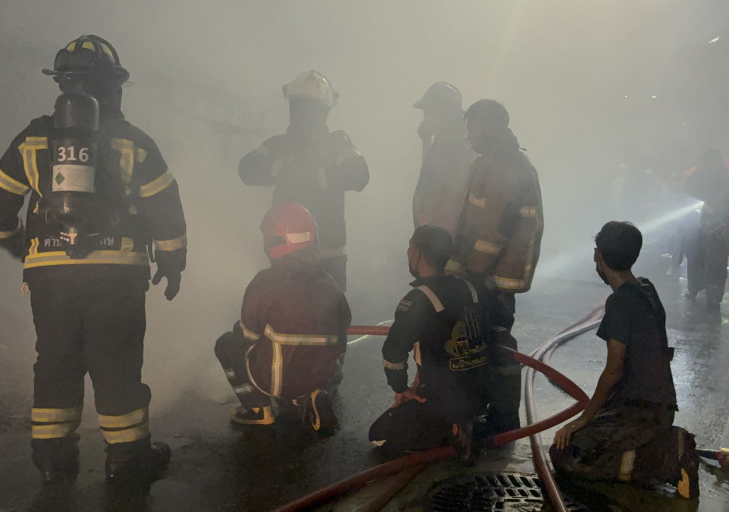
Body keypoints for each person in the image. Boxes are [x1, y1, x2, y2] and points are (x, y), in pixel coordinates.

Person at [0, 35, 186, 485]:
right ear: (113, 85)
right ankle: (127, 458)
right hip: (117, 274)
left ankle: (53, 460)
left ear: (63, 84)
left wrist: (14, 243)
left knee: (55, 361)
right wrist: (173, 263)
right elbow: (165, 209)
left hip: (50, 275)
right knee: (116, 361)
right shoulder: (134, 142)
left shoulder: (34, 139)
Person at [550, 221, 699, 499]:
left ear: (598, 256)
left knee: (566, 453)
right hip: (657, 405)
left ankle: (668, 456)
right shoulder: (646, 288)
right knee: (588, 439)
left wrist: (582, 419)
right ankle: (656, 445)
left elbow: (614, 370)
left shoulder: (620, 303)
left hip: (640, 412)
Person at [369, 225, 512, 458]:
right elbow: (502, 320)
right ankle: (466, 423)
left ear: (418, 253)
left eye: (410, 247)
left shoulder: (418, 299)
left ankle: (450, 430)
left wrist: (401, 389)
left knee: (379, 435)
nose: (407, 252)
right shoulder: (470, 287)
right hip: (481, 394)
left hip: (443, 400)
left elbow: (393, 353)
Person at [446, 99, 544, 433]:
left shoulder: (503, 165)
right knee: (488, 339)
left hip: (495, 274)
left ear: (488, 127)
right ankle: (493, 411)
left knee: (496, 343)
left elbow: (494, 231)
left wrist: (471, 271)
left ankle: (503, 418)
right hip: (492, 271)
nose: (468, 134)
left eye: (472, 126)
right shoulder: (496, 161)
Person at [214, 203, 351, 434]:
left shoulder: (265, 283)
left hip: (277, 380)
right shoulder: (329, 283)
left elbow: (248, 336)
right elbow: (343, 329)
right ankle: (309, 398)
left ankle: (257, 409)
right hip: (321, 376)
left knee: (227, 344)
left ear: (273, 242)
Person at [238, 70, 369, 290]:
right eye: (298, 106)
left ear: (323, 112)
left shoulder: (338, 143)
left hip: (327, 256)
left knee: (325, 309)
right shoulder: (278, 145)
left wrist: (324, 172)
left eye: (311, 108)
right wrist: (284, 167)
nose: (304, 114)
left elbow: (360, 176)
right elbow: (246, 169)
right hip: (285, 254)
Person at [683, 149, 729, 312]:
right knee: (702, 262)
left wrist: (720, 215)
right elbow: (685, 197)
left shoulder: (724, 182)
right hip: (700, 228)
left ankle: (709, 295)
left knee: (712, 264)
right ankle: (702, 292)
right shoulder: (697, 179)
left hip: (715, 229)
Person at [412, 82, 473, 234]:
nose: (426, 118)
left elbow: (443, 194)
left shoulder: (451, 146)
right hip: (437, 231)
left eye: (431, 111)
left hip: (441, 232)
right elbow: (430, 177)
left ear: (447, 114)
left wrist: (434, 232)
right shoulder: (446, 142)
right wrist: (426, 141)